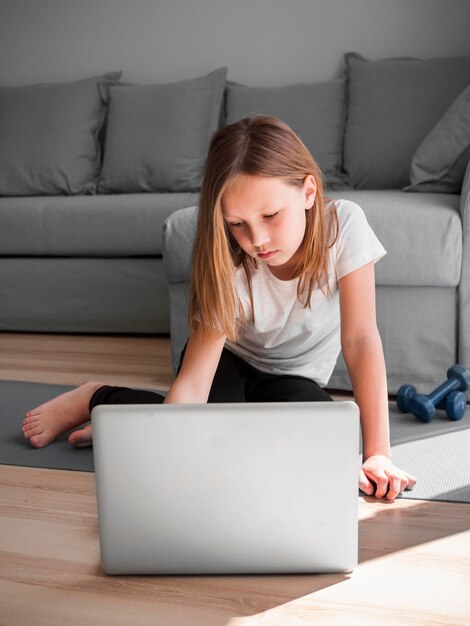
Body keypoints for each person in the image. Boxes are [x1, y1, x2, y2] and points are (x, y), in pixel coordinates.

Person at [22, 115, 416, 500]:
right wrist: (163, 465)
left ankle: (125, 423)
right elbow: (194, 386)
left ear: (308, 192)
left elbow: (361, 340)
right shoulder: (228, 259)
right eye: (237, 224)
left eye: (270, 215)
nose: (257, 239)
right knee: (210, 435)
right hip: (226, 364)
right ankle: (97, 398)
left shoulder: (344, 226)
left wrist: (378, 452)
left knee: (326, 439)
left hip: (293, 378)